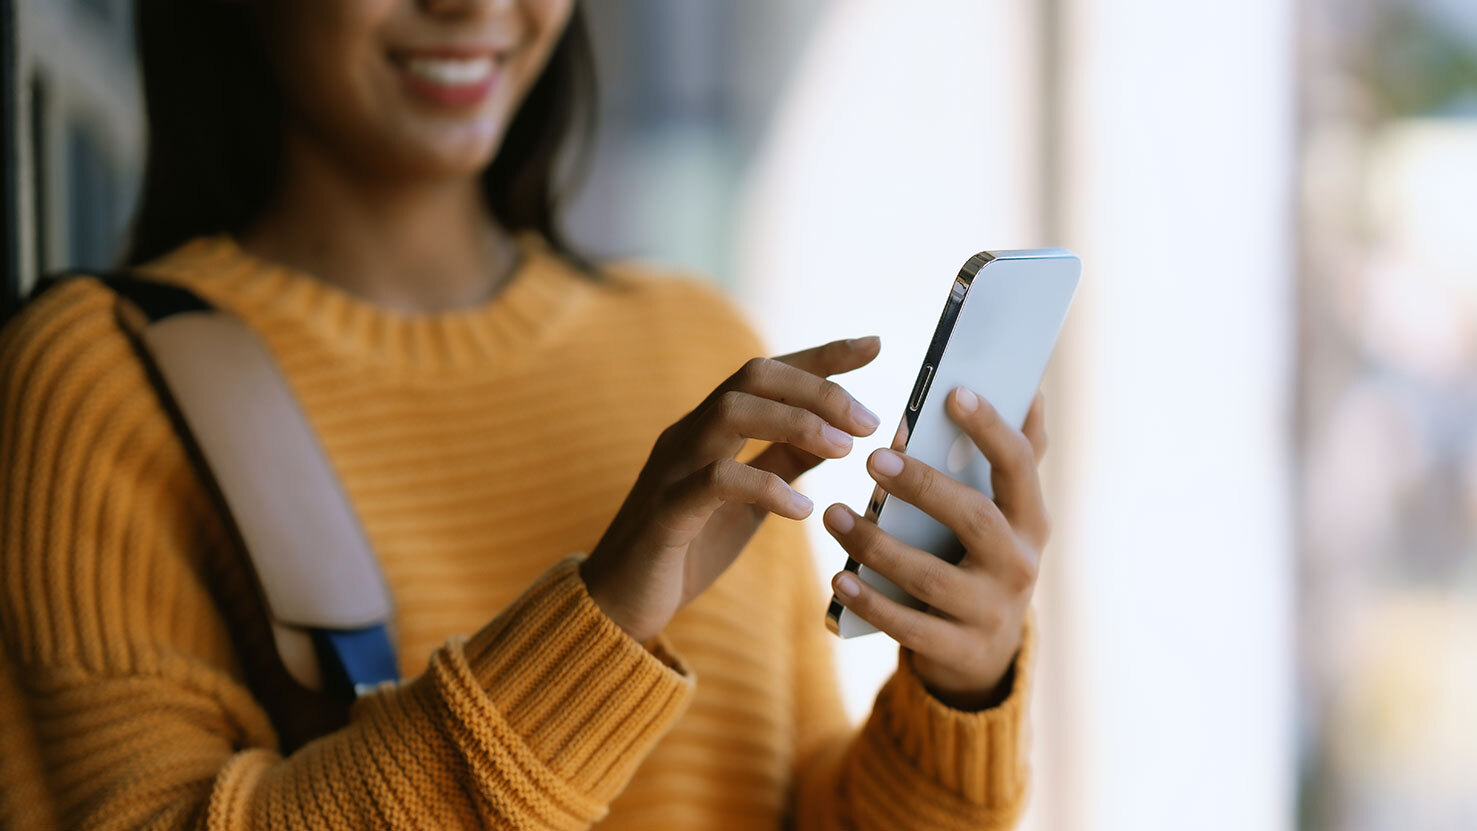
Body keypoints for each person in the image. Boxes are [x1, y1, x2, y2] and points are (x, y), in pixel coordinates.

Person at [0, 2, 1052, 829]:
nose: (475, 5)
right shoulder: (104, 374)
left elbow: (780, 802)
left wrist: (958, 694)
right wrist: (598, 627)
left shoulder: (691, 339)